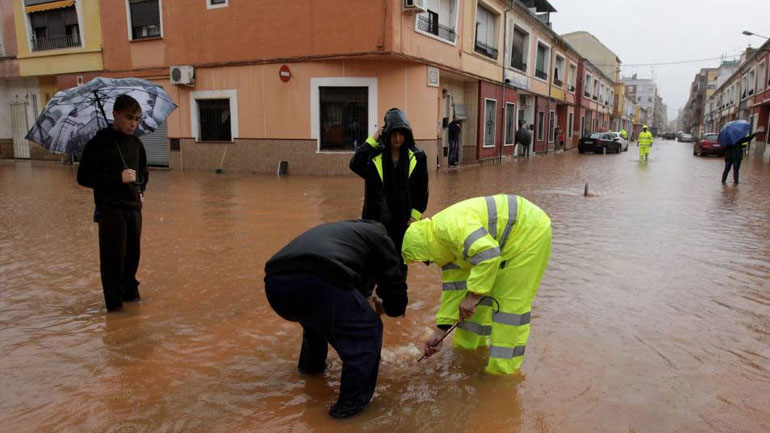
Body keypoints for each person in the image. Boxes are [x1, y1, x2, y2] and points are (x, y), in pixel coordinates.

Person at [264, 220, 408, 418]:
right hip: (320, 278)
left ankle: (310, 372)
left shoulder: (346, 236)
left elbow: (350, 285)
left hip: (275, 285)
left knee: (316, 321)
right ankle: (348, 412)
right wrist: (389, 307)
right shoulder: (379, 236)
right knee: (368, 332)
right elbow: (394, 283)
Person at [401, 194, 552, 374]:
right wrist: (440, 332)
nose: (426, 263)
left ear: (423, 247)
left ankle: (502, 374)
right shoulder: (445, 250)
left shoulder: (451, 228)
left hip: (529, 233)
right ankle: (468, 356)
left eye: (422, 259)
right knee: (470, 306)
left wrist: (474, 296)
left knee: (507, 309)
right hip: (501, 243)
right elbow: (455, 291)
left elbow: (489, 255)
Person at [77, 95, 148, 312]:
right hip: (110, 209)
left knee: (133, 256)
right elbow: (83, 177)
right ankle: (114, 306)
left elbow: (143, 173)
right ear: (115, 114)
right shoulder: (98, 144)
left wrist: (141, 190)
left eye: (136, 119)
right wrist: (118, 177)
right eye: (129, 118)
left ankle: (131, 299)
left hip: (133, 208)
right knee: (113, 258)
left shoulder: (136, 144)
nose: (133, 123)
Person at [349, 108, 429, 254]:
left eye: (401, 134)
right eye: (393, 134)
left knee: (399, 258)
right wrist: (372, 140)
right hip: (376, 220)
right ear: (386, 134)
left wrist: (414, 216)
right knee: (376, 259)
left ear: (407, 134)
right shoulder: (375, 155)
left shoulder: (417, 156)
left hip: (402, 220)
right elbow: (355, 164)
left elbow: (422, 190)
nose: (397, 139)